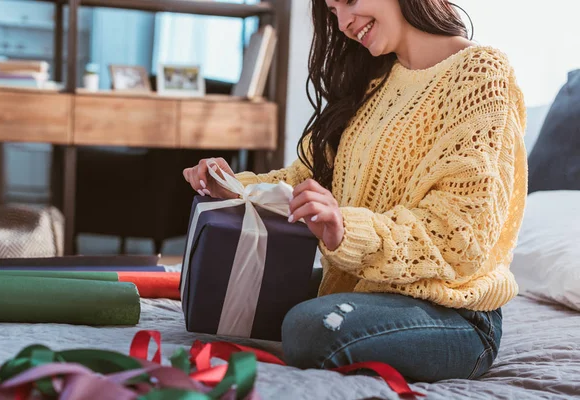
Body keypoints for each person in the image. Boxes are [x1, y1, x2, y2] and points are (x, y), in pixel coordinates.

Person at [183, 0, 527, 383]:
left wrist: (346, 230)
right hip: (370, 289)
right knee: (228, 291)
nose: (344, 22)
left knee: (308, 327)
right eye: (332, 11)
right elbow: (303, 178)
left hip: (455, 315)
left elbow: (462, 238)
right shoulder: (373, 82)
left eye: (348, 1)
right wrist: (231, 185)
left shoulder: (480, 73)